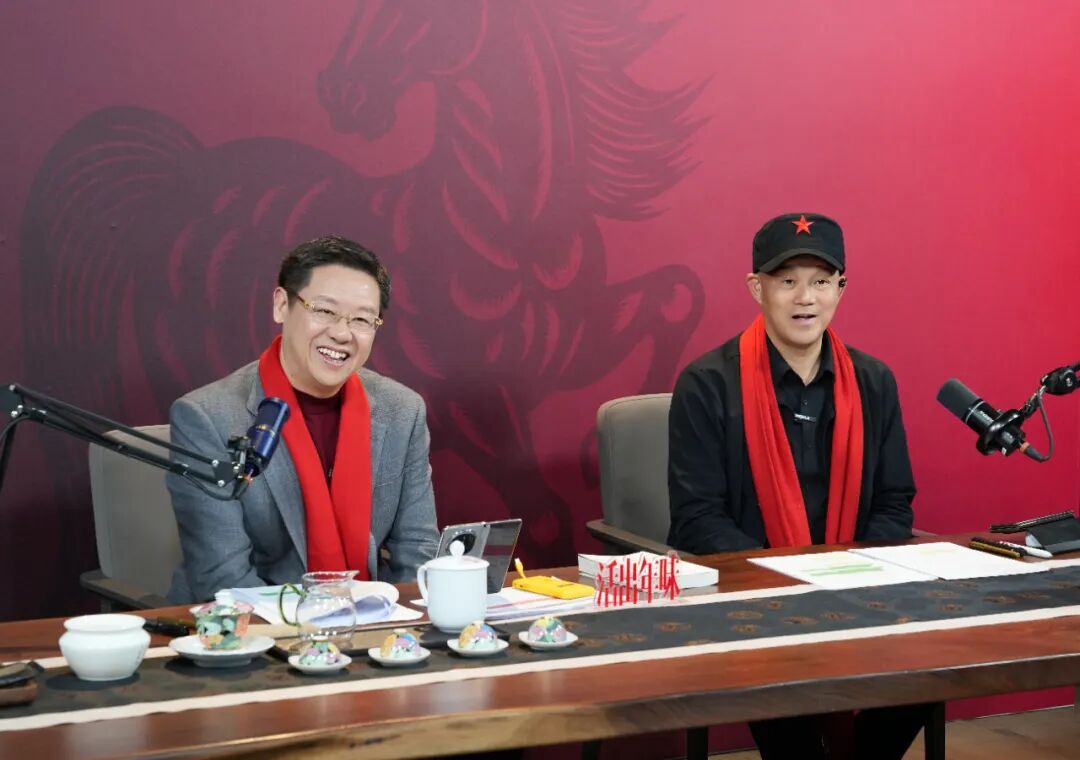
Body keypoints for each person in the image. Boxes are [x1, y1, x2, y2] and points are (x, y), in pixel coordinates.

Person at [667, 213, 928, 759]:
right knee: (783, 675)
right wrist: (787, 579)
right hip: (752, 592)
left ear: (841, 288)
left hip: (857, 583)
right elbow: (698, 517)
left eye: (820, 281)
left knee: (934, 657)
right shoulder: (707, 384)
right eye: (787, 280)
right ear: (756, 288)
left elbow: (894, 501)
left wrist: (855, 574)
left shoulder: (874, 381)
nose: (805, 298)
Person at [166, 236, 438, 602]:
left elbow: (417, 551)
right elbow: (224, 578)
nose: (341, 333)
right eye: (324, 311)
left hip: (372, 621)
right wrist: (319, 627)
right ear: (282, 305)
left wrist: (400, 622)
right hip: (254, 624)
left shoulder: (402, 410)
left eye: (362, 319)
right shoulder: (207, 417)